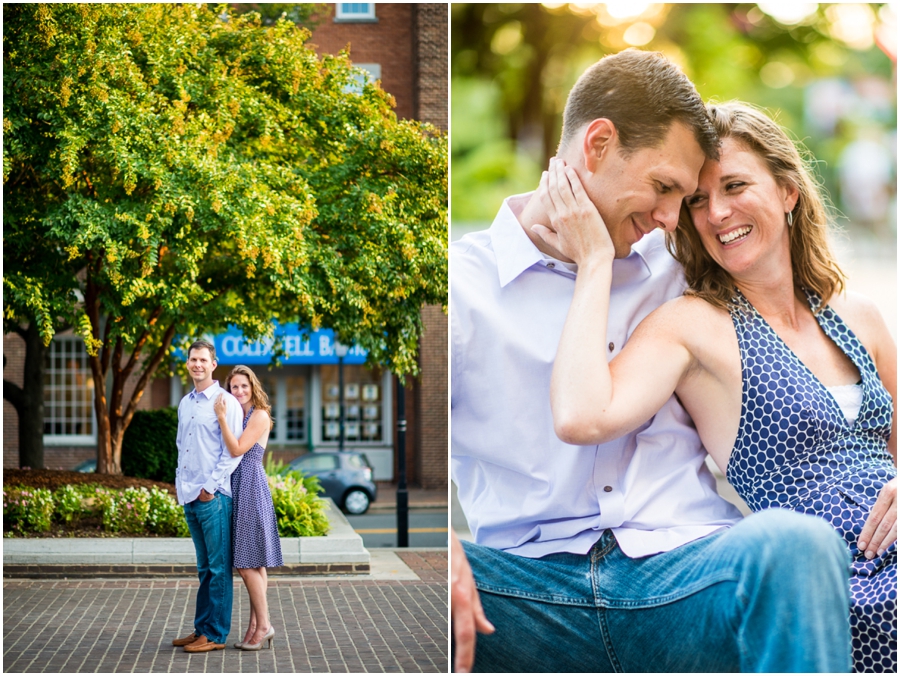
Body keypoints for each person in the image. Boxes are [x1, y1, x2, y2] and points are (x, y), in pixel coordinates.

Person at [450, 49, 853, 673]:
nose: (673, 217)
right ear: (599, 144)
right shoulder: (459, 288)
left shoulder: (688, 266)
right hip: (527, 587)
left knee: (796, 545)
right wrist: (445, 549)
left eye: (682, 198)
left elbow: (821, 325)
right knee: (436, 586)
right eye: (666, 188)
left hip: (684, 569)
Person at [536, 101, 897, 674]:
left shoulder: (860, 315)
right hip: (827, 588)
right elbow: (582, 416)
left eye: (734, 186)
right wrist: (595, 262)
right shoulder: (693, 326)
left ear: (788, 191)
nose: (718, 213)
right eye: (698, 200)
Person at [172, 339, 244, 653]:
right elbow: (181, 446)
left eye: (203, 359)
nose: (197, 364)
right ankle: (201, 628)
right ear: (187, 363)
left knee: (218, 569)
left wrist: (209, 489)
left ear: (213, 364)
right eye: (193, 359)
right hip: (190, 496)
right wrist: (182, 487)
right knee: (204, 569)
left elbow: (233, 453)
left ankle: (215, 635)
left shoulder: (227, 402)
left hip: (213, 499)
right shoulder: (185, 403)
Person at [213, 365, 283, 651]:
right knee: (254, 562)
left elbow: (237, 449)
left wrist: (220, 418)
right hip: (239, 485)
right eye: (234, 387)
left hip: (251, 486)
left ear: (253, 387)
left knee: (244, 563)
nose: (239, 391)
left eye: (243, 386)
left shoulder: (259, 415)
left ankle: (264, 625)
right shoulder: (241, 414)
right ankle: (255, 626)